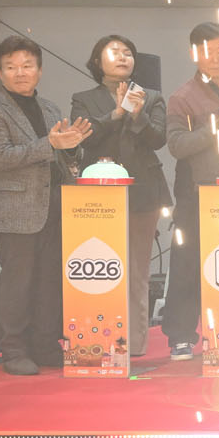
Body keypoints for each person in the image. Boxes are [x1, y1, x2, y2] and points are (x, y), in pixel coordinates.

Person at [0, 37, 92, 375]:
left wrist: (71, 147)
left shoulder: (50, 108)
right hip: (17, 208)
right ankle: (13, 350)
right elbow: (0, 157)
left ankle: (46, 344)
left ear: (39, 70)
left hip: (56, 203)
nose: (20, 72)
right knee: (18, 283)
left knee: (50, 280)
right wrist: (51, 143)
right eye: (11, 67)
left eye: (27, 65)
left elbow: (64, 156)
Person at [70, 34, 169, 357]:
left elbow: (159, 140)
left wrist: (138, 115)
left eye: (128, 52)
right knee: (101, 265)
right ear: (97, 61)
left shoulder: (151, 97)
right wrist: (114, 114)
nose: (123, 57)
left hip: (143, 191)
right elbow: (83, 138)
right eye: (114, 51)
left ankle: (135, 343)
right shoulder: (84, 98)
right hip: (97, 195)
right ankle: (101, 340)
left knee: (137, 269)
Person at [161, 22, 219, 359]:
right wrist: (217, 125)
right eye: (207, 52)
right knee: (188, 264)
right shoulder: (182, 97)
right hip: (196, 193)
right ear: (194, 54)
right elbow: (177, 145)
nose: (215, 58)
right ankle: (180, 335)